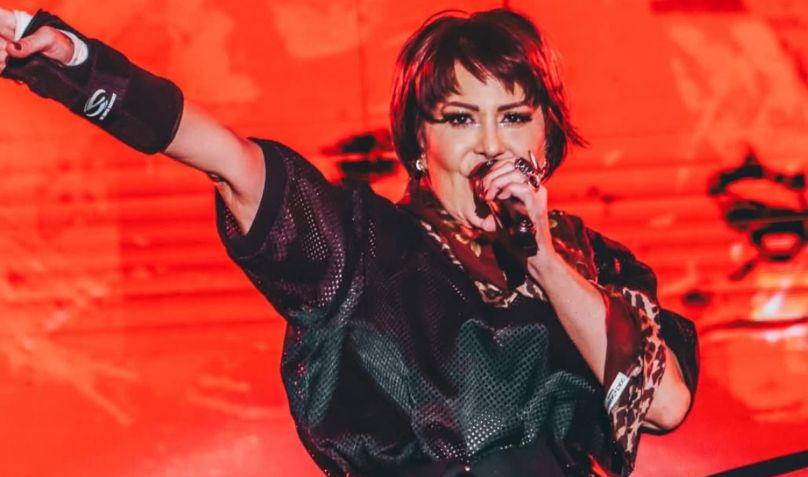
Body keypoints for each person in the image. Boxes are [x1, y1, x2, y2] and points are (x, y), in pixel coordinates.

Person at [0, 7, 698, 477]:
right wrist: (78, 65)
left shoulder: (591, 264)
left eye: (514, 117)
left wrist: (542, 257)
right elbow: (230, 160)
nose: (491, 144)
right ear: (419, 141)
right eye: (461, 119)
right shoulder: (363, 247)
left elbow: (664, 404)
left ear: (546, 135)